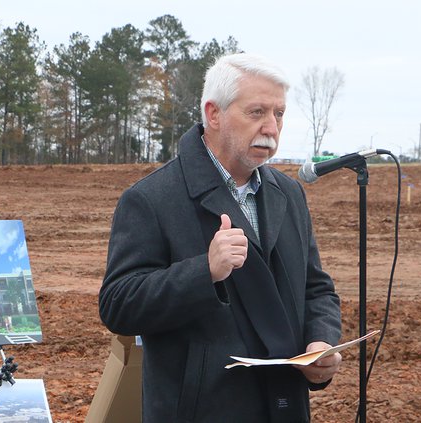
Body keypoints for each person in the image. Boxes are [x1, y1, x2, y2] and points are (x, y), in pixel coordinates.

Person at [99, 53, 342, 423]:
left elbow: (316, 288)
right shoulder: (151, 198)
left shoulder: (289, 194)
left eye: (279, 114)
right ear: (214, 114)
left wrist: (320, 342)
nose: (272, 128)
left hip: (285, 406)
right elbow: (118, 304)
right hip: (199, 411)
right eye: (257, 112)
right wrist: (204, 271)